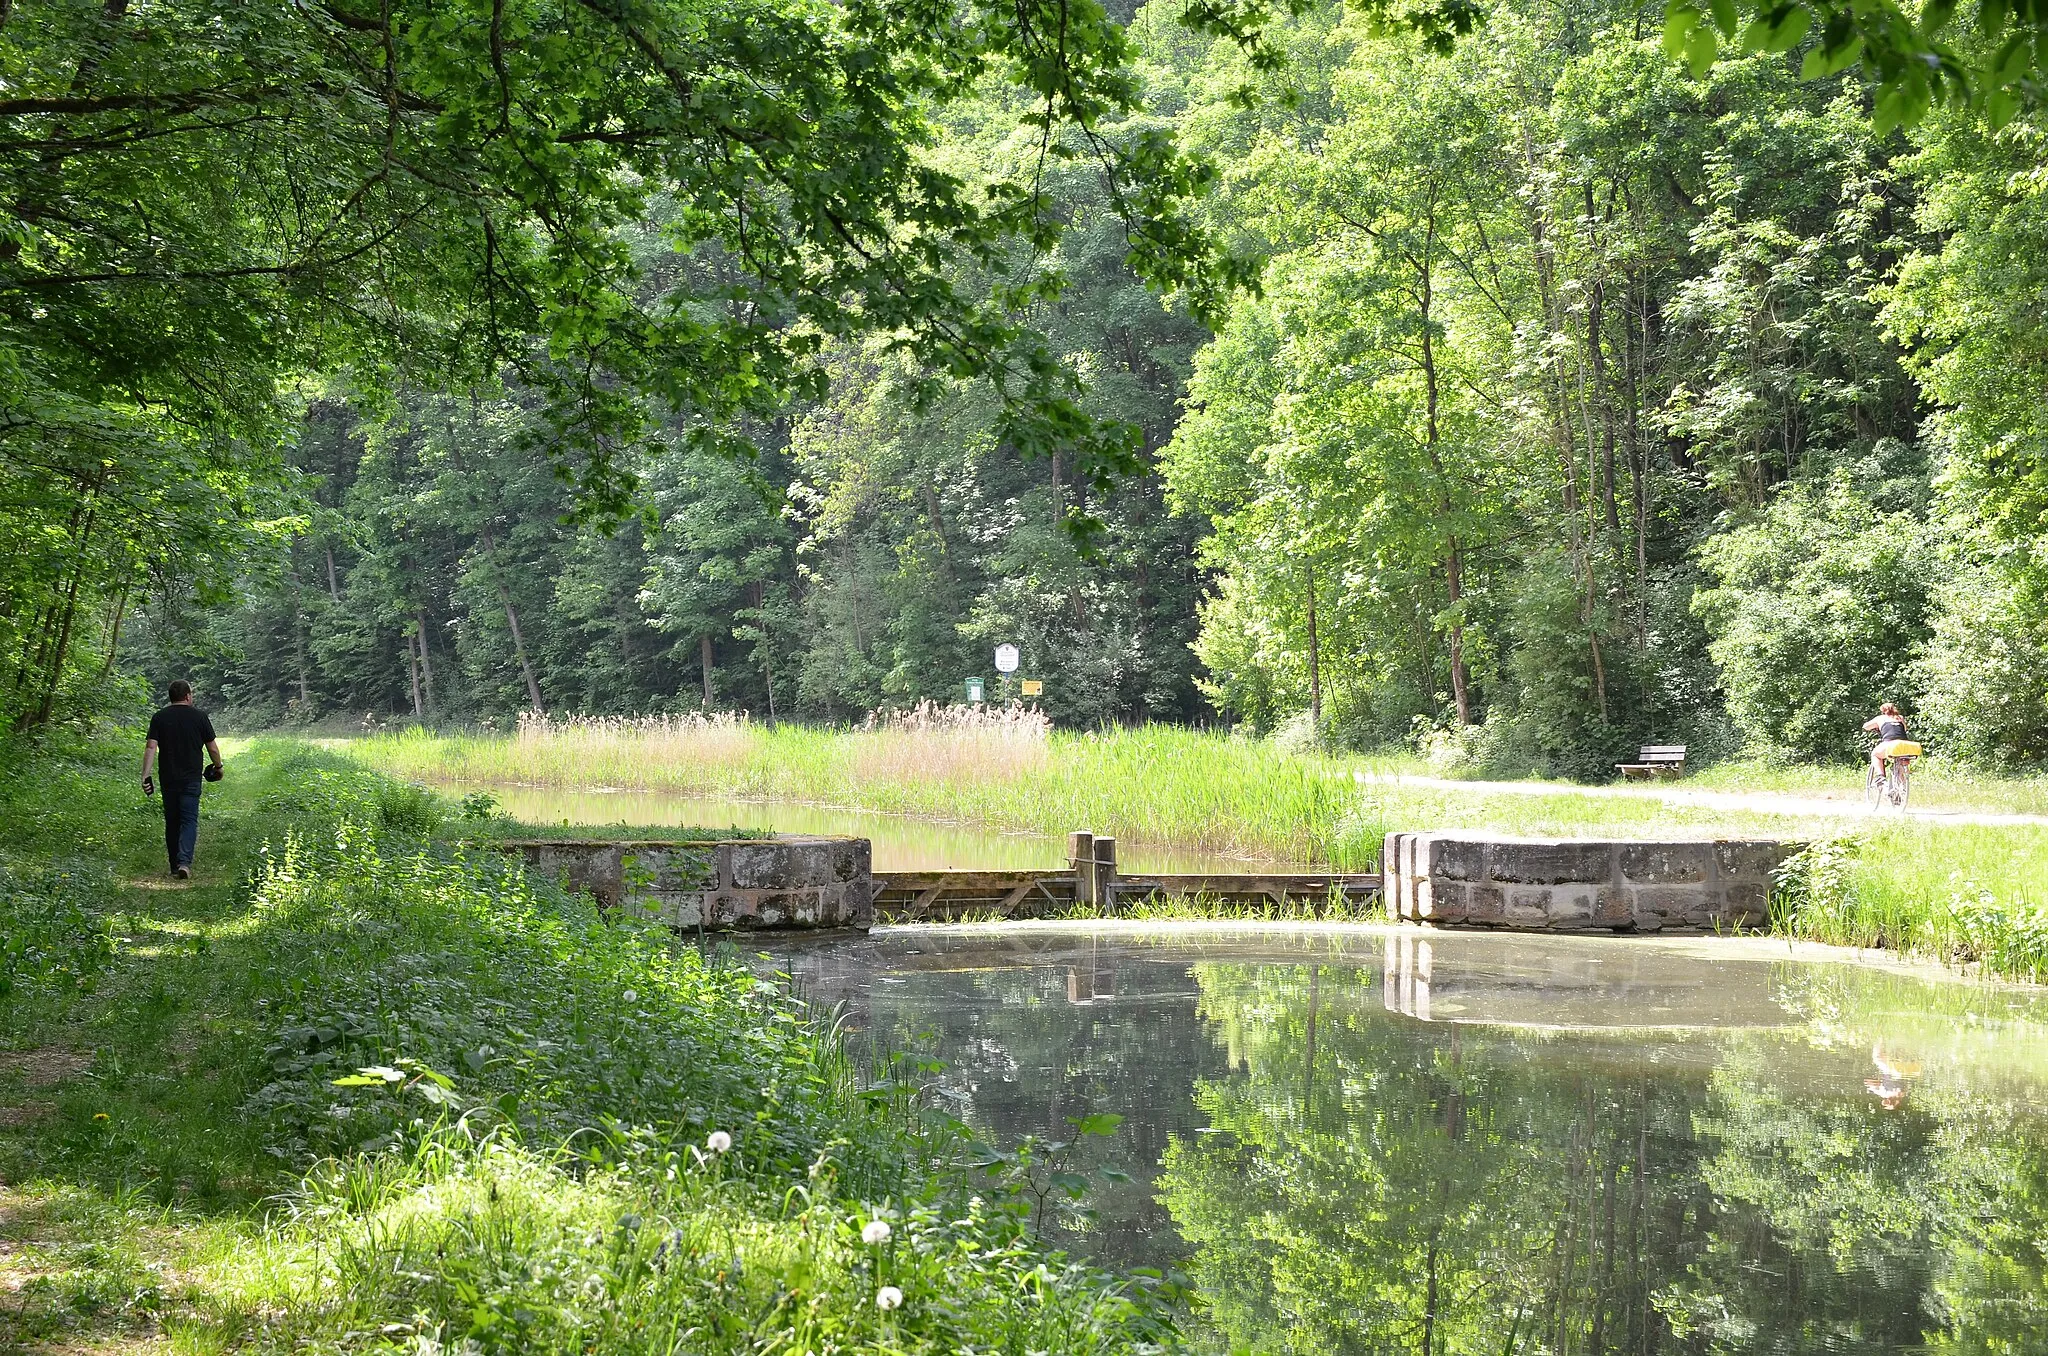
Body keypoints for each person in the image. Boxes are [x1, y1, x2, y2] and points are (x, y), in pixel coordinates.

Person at [142, 680, 222, 879]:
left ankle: (173, 864)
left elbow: (151, 747)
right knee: (188, 820)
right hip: (191, 778)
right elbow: (212, 747)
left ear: (171, 697)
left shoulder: (159, 717)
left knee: (172, 820)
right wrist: (218, 767)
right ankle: (184, 862)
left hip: (168, 777)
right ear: (187, 696)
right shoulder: (199, 717)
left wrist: (145, 774)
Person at [1861, 701, 1919, 781]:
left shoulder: (1880, 718)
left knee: (1875, 754)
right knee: (1900, 762)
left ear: (1883, 711)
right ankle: (1901, 787)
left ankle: (1880, 776)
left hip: (1890, 744)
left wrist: (1876, 727)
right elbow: (1904, 729)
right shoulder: (1900, 717)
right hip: (1904, 744)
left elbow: (1865, 726)